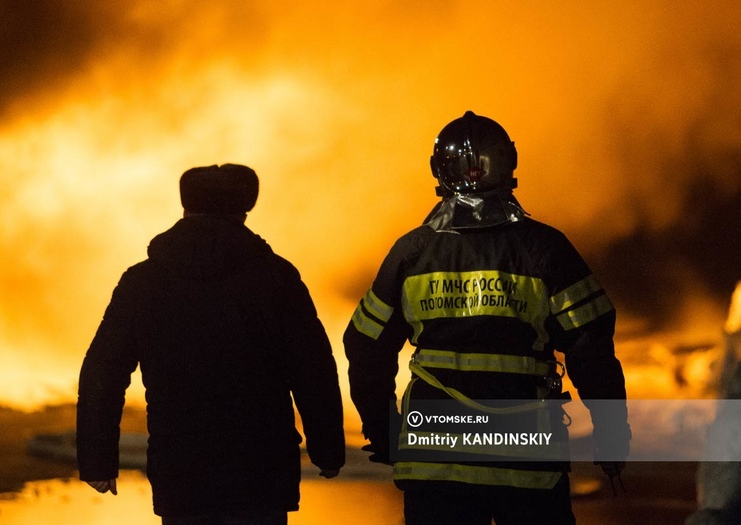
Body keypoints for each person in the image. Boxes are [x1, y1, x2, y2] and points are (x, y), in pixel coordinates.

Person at [344, 111, 631, 524]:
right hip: (526, 464)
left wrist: (384, 429)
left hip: (435, 466)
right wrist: (611, 434)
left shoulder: (411, 253)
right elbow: (591, 347)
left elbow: (365, 344)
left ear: (439, 170)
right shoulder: (545, 250)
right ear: (509, 164)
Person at [77, 164, 345, 524]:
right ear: (244, 210)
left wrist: (97, 459)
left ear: (185, 206)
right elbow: (313, 370)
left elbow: (103, 372)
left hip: (182, 475)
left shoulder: (143, 281)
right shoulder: (276, 278)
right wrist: (327, 451)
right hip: (261, 475)